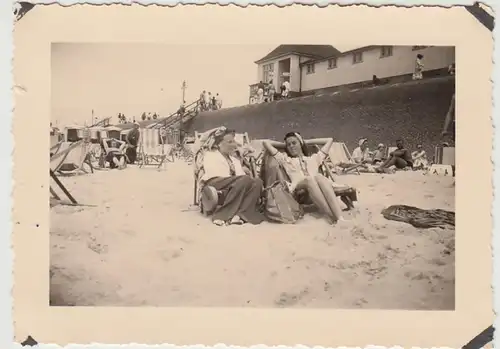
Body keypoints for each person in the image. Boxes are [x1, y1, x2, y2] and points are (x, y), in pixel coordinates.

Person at [262, 133, 346, 225]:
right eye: (289, 145)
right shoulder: (286, 160)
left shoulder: (314, 159)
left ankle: (340, 218)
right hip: (299, 192)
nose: (291, 146)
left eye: (294, 143)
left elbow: (329, 140)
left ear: (300, 143)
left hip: (316, 190)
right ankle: (331, 216)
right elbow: (266, 143)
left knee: (319, 177)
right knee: (309, 180)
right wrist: (284, 145)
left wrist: (306, 142)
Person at [200, 128, 265, 226]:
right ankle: (221, 215)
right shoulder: (211, 155)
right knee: (245, 179)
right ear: (218, 145)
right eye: (229, 142)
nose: (234, 144)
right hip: (215, 183)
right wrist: (239, 181)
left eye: (234, 141)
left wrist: (249, 181)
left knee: (258, 181)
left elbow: (242, 178)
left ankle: (240, 215)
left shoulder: (234, 160)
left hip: (234, 186)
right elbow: (214, 174)